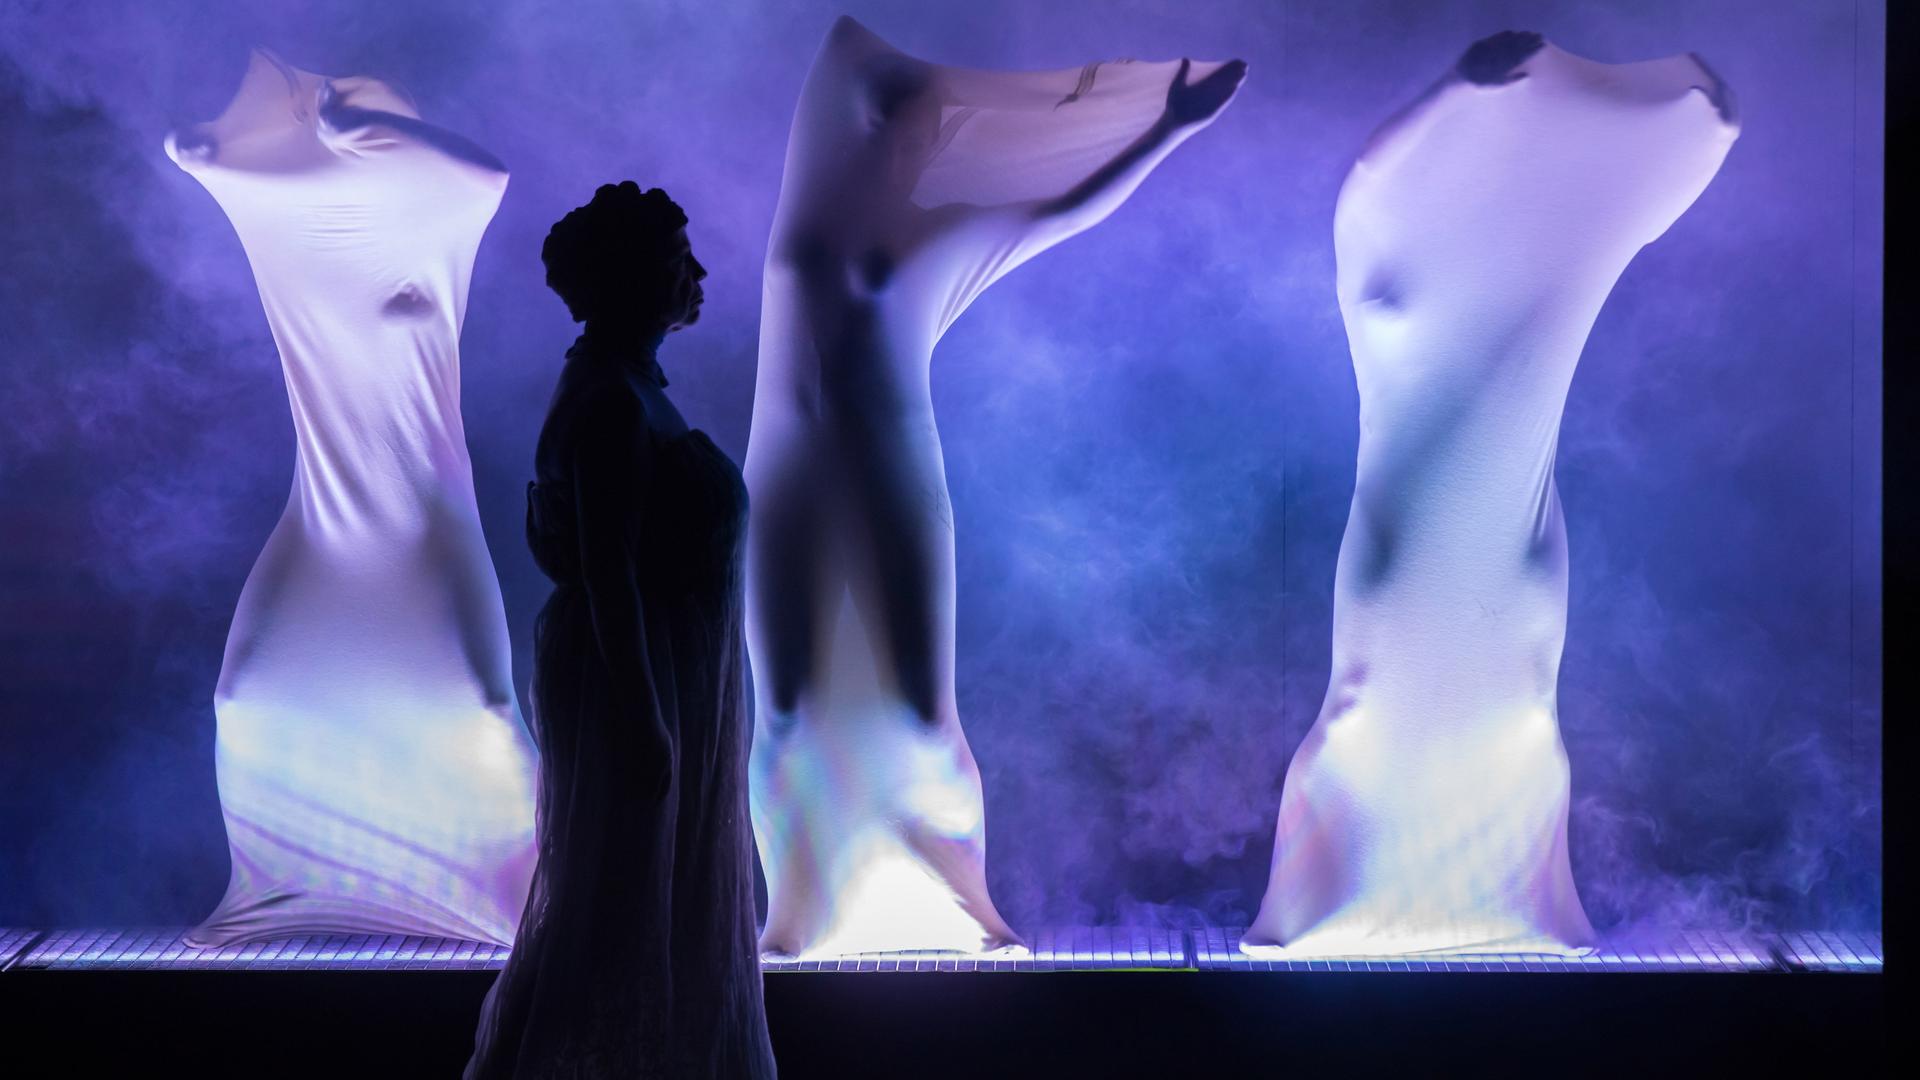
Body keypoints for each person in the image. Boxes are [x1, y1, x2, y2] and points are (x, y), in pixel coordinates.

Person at [746, 14, 1246, 960]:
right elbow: (838, 61)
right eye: (903, 120)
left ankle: (963, 902)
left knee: (921, 712)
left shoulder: (941, 229)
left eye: (925, 125)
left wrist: (1166, 128)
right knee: (784, 704)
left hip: (893, 467)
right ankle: (795, 911)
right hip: (787, 475)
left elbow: (1066, 211)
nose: (915, 137)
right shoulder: (801, 221)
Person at [1242, 31, 1738, 958]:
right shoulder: (1384, 242)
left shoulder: (1537, 256)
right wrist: (1455, 95)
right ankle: (1344, 899)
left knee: (1508, 703)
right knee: (1379, 701)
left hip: (1503, 540)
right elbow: (1374, 175)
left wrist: (1697, 121)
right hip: (1413, 541)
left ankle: (1494, 905)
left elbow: (1653, 179)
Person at [466, 182, 776, 1078]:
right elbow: (608, 574)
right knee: (618, 902)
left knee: (655, 901)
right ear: (639, 277)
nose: (700, 273)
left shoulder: (629, 387)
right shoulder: (608, 401)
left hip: (672, 677)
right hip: (635, 680)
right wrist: (643, 720)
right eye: (681, 261)